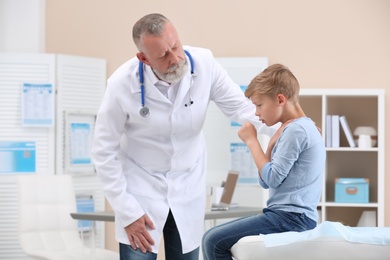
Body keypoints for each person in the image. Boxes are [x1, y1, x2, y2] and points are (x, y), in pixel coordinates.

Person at [91, 13, 276, 260]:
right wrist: (127, 211)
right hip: (141, 188)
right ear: (144, 58)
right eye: (163, 56)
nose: (176, 58)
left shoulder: (204, 64)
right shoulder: (121, 84)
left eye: (175, 46)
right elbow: (103, 152)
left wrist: (290, 128)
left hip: (187, 184)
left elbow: (242, 109)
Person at [202, 64, 326, 259]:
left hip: (291, 218)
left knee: (213, 241)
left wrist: (252, 141)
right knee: (211, 237)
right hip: (287, 216)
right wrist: (270, 145)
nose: (257, 113)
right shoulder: (293, 128)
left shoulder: (296, 130)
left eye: (259, 105)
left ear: (280, 99)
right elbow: (265, 180)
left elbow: (272, 178)